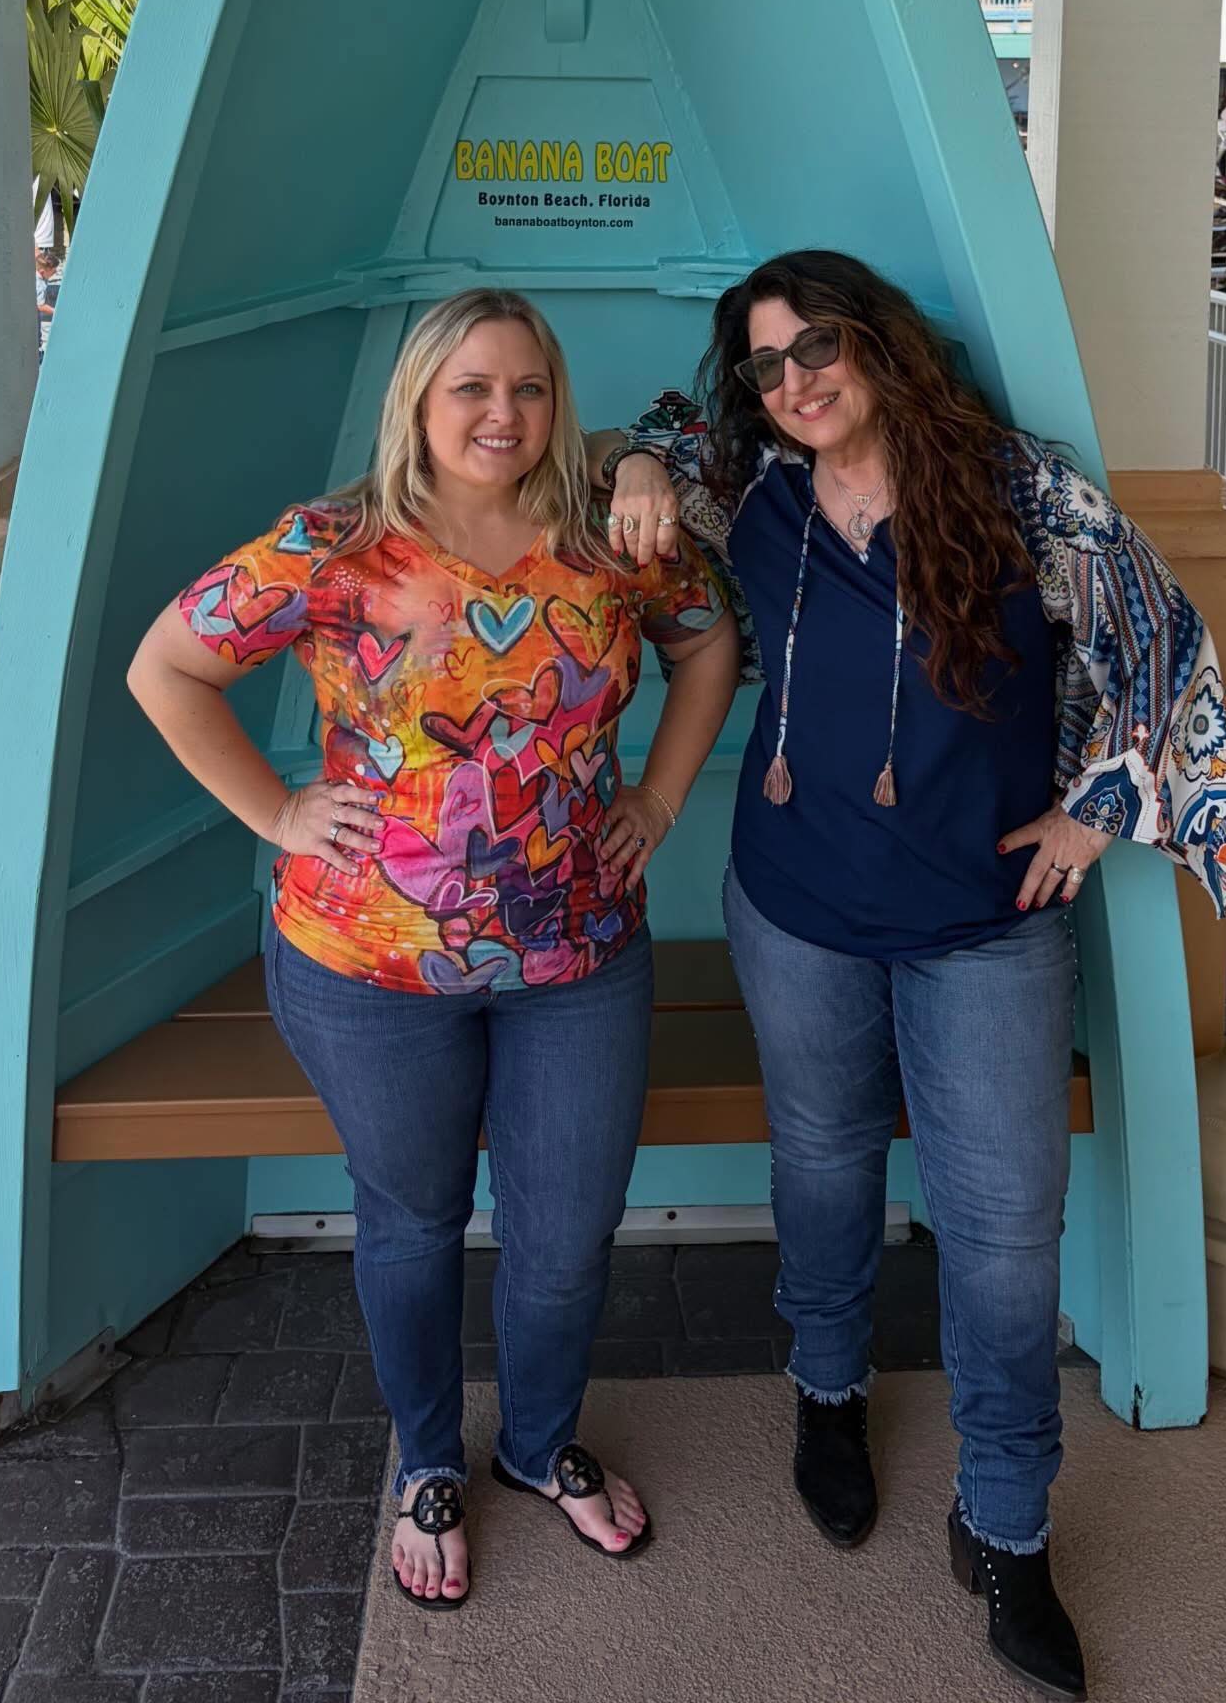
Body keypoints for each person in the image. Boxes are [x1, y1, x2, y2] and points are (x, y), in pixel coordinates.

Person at [588, 252, 1226, 1702]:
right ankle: (827, 1394)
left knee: (1006, 1229)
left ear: (877, 342)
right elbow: (623, 455)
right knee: (822, 1161)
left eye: (817, 344)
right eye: (766, 365)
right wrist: (641, 457)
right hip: (797, 911)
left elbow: (1166, 642)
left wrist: (1097, 807)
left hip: (982, 926)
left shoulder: (1018, 492)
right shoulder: (756, 490)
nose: (797, 380)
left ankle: (1007, 1526)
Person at [129, 289, 739, 1610]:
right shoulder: (337, 544)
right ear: (419, 397)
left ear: (554, 400)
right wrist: (281, 812)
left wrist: (661, 802)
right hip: (369, 973)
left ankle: (534, 1447)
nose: (501, 413)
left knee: (569, 1235)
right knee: (411, 1217)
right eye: (471, 387)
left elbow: (709, 647)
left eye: (525, 388)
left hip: (579, 959)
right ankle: (423, 1459)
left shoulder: (612, 534)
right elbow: (164, 667)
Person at [35, 246, 61, 361]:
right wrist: (56, 312)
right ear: (43, 271)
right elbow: (40, 305)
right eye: (53, 271)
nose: (55, 273)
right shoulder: (39, 284)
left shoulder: (36, 276)